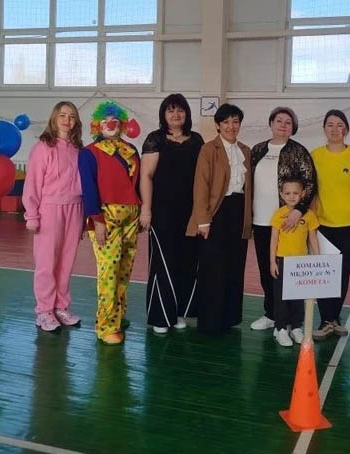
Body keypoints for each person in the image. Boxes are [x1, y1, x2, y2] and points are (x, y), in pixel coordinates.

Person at [140, 94, 204, 334]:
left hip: (190, 212)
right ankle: (160, 317)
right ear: (163, 114)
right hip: (162, 211)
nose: (176, 115)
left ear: (187, 114)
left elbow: (203, 178)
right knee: (163, 262)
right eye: (171, 110)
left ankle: (177, 312)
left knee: (186, 261)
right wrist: (146, 209)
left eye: (180, 110)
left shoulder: (196, 140)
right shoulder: (155, 139)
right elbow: (146, 176)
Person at [78, 101, 141, 345]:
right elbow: (88, 188)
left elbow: (136, 184)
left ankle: (118, 314)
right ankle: (105, 326)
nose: (111, 125)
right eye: (105, 121)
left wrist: (141, 210)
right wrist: (97, 220)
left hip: (131, 215)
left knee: (124, 269)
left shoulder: (130, 149)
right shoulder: (89, 153)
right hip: (106, 216)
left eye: (115, 121)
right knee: (108, 272)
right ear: (97, 125)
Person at [249, 107, 316, 331]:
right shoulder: (258, 150)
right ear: (271, 123)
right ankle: (271, 314)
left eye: (288, 122)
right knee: (267, 270)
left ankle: (291, 321)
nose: (283, 125)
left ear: (293, 128)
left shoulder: (299, 151)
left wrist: (299, 211)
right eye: (279, 121)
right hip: (261, 221)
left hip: (289, 223)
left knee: (288, 275)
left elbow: (309, 184)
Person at [186, 104, 252, 333]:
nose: (231, 126)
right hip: (216, 213)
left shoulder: (245, 150)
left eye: (235, 121)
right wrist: (203, 220)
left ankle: (229, 318)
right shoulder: (208, 149)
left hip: (239, 211)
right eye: (226, 122)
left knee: (235, 266)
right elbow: (200, 186)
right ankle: (210, 321)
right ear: (218, 125)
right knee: (212, 268)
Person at [22, 101, 84, 332]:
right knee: (47, 263)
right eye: (62, 115)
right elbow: (32, 183)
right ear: (54, 119)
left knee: (66, 263)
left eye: (71, 116)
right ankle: (44, 311)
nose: (67, 120)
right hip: (50, 209)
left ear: (76, 121)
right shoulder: (43, 148)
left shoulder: (78, 149)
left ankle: (60, 307)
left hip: (75, 209)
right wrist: (32, 215)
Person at [310, 110, 350, 341]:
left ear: (346, 129)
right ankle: (326, 320)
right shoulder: (315, 155)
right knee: (325, 275)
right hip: (324, 226)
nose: (335, 129)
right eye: (330, 125)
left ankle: (335, 318)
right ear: (324, 129)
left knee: (342, 275)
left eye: (339, 125)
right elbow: (311, 191)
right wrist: (311, 222)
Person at [269, 178, 320, 347]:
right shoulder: (278, 214)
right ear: (282, 194)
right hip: (283, 261)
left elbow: (313, 238)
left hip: (300, 263)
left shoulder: (309, 215)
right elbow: (274, 239)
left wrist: (318, 259)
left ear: (302, 194)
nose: (292, 196)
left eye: (295, 193)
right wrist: (272, 262)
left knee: (298, 297)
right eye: (288, 193)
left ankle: (296, 327)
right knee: (281, 297)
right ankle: (281, 328)